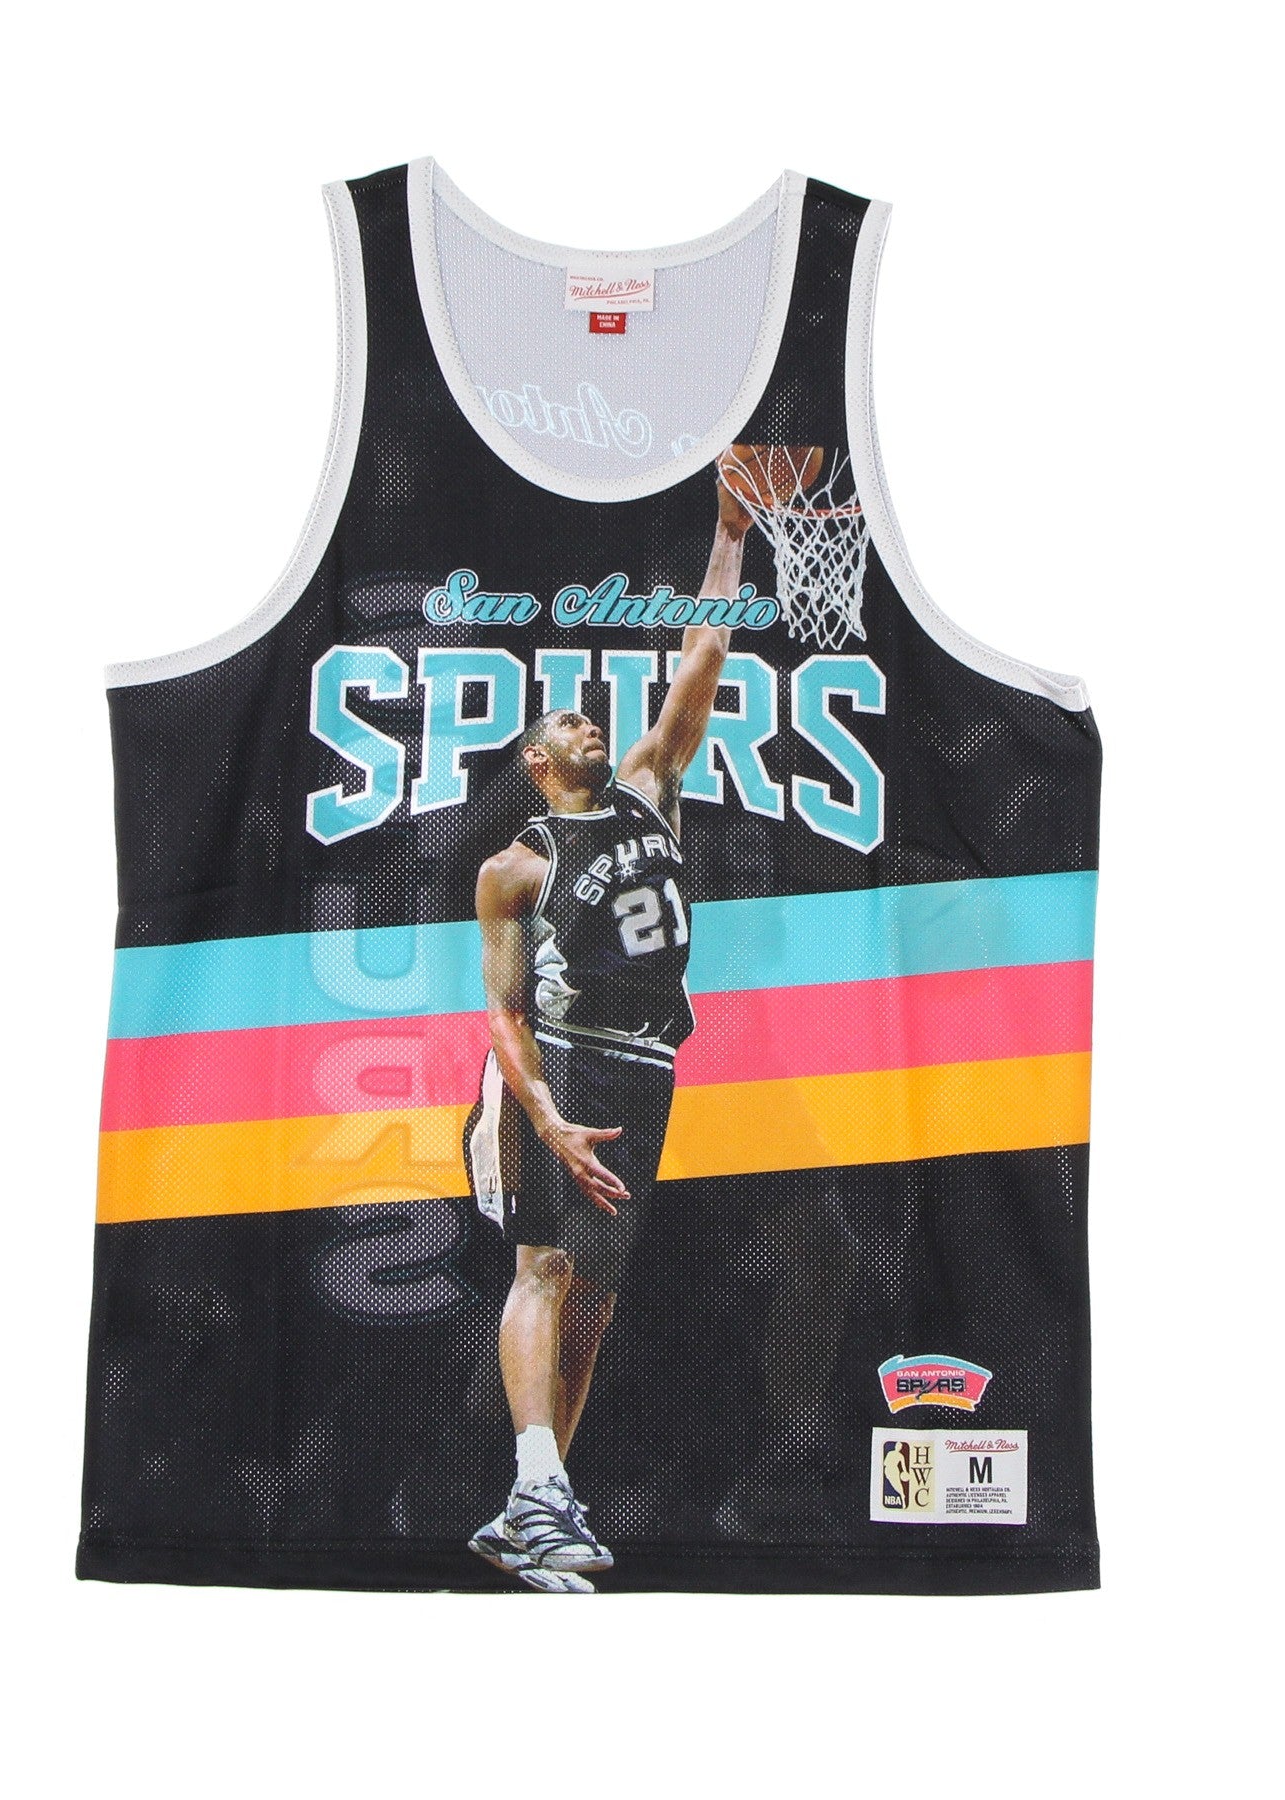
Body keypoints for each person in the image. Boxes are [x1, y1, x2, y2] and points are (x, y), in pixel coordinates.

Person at [462, 449, 803, 1590]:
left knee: (599, 1300)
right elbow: (505, 1014)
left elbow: (702, 653)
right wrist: (544, 1119)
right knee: (548, 1266)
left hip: (649, 1068)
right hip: (557, 1067)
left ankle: (535, 1509)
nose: (587, 724)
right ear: (536, 761)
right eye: (566, 722)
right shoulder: (515, 868)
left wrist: (731, 536)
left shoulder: (651, 789)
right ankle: (537, 1486)